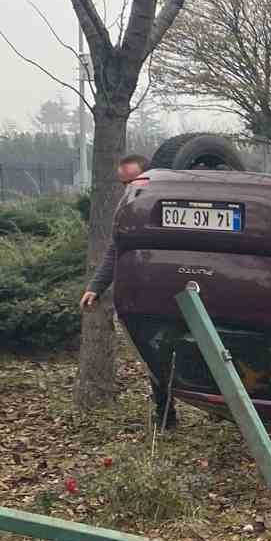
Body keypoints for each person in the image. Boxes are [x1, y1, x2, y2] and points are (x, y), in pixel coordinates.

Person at [80, 154, 177, 429]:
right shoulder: (127, 212)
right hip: (149, 296)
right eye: (124, 183)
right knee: (156, 354)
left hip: (182, 292)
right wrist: (96, 287)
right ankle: (165, 415)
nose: (128, 189)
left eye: (132, 181)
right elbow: (115, 249)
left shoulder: (168, 204)